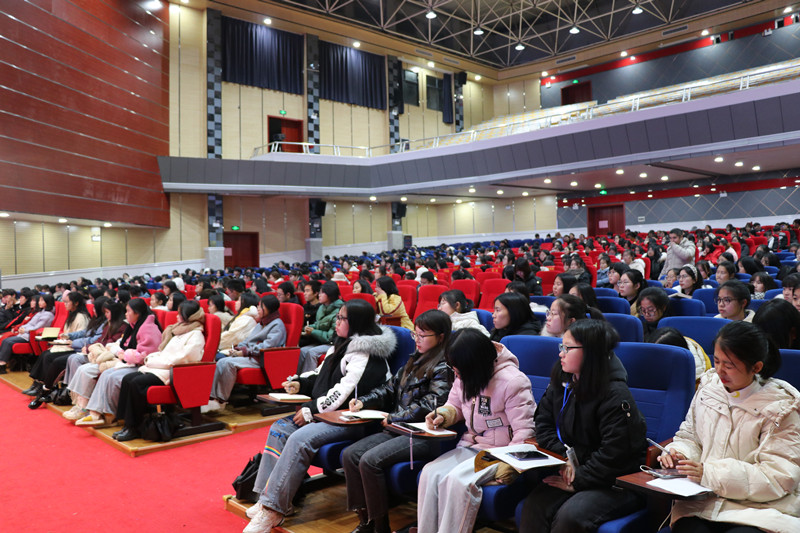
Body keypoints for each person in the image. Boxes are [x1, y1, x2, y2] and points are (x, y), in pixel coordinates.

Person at [243, 299, 396, 533]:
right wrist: (300, 382)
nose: (337, 321)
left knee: (299, 438)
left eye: (342, 318)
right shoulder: (342, 343)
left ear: (356, 322)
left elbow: (343, 393)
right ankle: (269, 498)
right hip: (331, 414)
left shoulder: (366, 351)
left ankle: (272, 511)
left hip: (354, 419)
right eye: (338, 317)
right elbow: (320, 372)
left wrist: (310, 410)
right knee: (280, 428)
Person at [659, 321, 800, 533]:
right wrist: (679, 454)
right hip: (704, 499)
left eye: (730, 365)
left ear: (756, 367)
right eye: (716, 361)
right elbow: (691, 436)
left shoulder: (782, 408)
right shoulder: (709, 389)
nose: (720, 371)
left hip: (762, 510)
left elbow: (778, 477)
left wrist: (710, 474)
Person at [519, 320, 648, 532]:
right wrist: (565, 460)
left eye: (567, 348)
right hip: (574, 470)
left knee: (571, 517)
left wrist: (578, 478)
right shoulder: (563, 381)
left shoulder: (615, 394)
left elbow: (615, 454)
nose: (561, 353)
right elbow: (543, 424)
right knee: (534, 506)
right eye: (561, 347)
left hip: (615, 480)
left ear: (591, 352)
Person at [343, 310, 453, 533]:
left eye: (424, 335)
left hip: (420, 433)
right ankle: (366, 520)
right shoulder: (414, 360)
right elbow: (389, 388)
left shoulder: (444, 365)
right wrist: (363, 402)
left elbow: (431, 403)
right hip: (397, 427)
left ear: (441, 337)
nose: (418, 340)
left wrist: (394, 417)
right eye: (416, 334)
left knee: (369, 460)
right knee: (350, 454)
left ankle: (380, 526)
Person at [416, 328, 535, 533]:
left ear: (475, 363)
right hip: (472, 444)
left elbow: (525, 432)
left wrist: (511, 464)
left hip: (499, 453)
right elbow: (454, 404)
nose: (456, 373)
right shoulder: (464, 372)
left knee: (456, 481)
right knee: (430, 473)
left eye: (459, 369)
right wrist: (444, 415)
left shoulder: (513, 381)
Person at [112, 300, 207, 441]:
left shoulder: (196, 334)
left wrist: (156, 362)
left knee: (136, 383)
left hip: (172, 371)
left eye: (180, 314)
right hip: (159, 367)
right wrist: (152, 358)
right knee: (128, 379)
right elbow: (163, 351)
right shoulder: (178, 330)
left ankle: (133, 427)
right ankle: (126, 424)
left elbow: (184, 358)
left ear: (188, 316)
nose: (176, 316)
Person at [71, 298, 163, 426]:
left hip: (142, 366)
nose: (126, 314)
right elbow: (124, 344)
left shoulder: (148, 328)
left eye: (128, 311)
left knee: (112, 376)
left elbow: (146, 354)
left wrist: (123, 354)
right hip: (128, 362)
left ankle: (110, 414)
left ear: (137, 313)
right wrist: (119, 351)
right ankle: (93, 412)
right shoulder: (135, 325)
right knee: (105, 373)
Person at [204, 295, 287, 412]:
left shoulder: (277, 325)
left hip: (264, 360)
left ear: (269, 309)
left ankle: (221, 400)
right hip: (252, 356)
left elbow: (267, 346)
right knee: (221, 361)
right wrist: (238, 348)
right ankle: (212, 398)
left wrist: (244, 352)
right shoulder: (261, 323)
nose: (258, 308)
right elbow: (248, 340)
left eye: (261, 306)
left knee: (228, 364)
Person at [25, 291, 91, 407]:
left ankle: (46, 388)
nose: (64, 304)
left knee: (50, 357)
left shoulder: (81, 316)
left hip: (76, 347)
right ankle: (40, 384)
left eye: (67, 302)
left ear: (75, 303)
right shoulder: (73, 314)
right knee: (45, 354)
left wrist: (67, 339)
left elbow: (81, 335)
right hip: (68, 343)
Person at [0, 293, 56, 374]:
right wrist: (22, 328)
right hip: (26, 334)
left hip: (32, 336)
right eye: (39, 300)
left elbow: (37, 327)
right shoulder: (41, 312)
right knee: (6, 340)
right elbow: (30, 324)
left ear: (47, 302)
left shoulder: (48, 315)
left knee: (7, 341)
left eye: (41, 300)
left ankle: (2, 364)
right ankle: (2, 363)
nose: (39, 302)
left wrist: (25, 330)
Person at [297, 281, 344, 373]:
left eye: (322, 292)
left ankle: (309, 381)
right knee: (302, 351)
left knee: (312, 353)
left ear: (330, 295)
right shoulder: (322, 307)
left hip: (334, 343)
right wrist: (308, 327)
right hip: (321, 341)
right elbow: (319, 324)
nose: (319, 295)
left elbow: (330, 337)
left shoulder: (339, 311)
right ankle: (298, 379)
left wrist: (313, 331)